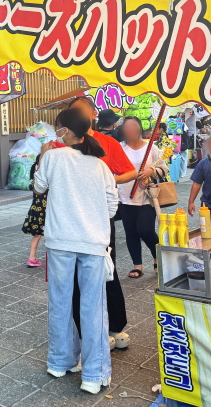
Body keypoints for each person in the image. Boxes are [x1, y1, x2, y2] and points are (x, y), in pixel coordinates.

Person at [34, 108, 117, 394]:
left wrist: (44, 152)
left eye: (58, 128)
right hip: (93, 242)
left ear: (64, 131)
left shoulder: (53, 158)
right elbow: (112, 206)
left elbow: (38, 187)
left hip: (59, 241)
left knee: (59, 301)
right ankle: (93, 375)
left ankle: (59, 361)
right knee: (93, 307)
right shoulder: (100, 165)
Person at [69, 96, 135, 350]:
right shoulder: (60, 146)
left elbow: (129, 171)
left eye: (82, 111)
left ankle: (115, 325)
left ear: (94, 114)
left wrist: (106, 180)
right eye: (73, 112)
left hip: (101, 217)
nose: (78, 116)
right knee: (77, 274)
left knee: (107, 268)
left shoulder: (107, 142)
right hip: (72, 219)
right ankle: (86, 329)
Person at [118, 117, 167, 278]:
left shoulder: (150, 147)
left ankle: (158, 258)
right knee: (130, 231)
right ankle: (137, 265)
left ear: (140, 128)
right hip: (125, 195)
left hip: (147, 196)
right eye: (127, 127)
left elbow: (163, 167)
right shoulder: (120, 148)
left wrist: (150, 171)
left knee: (145, 229)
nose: (131, 130)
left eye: (134, 127)